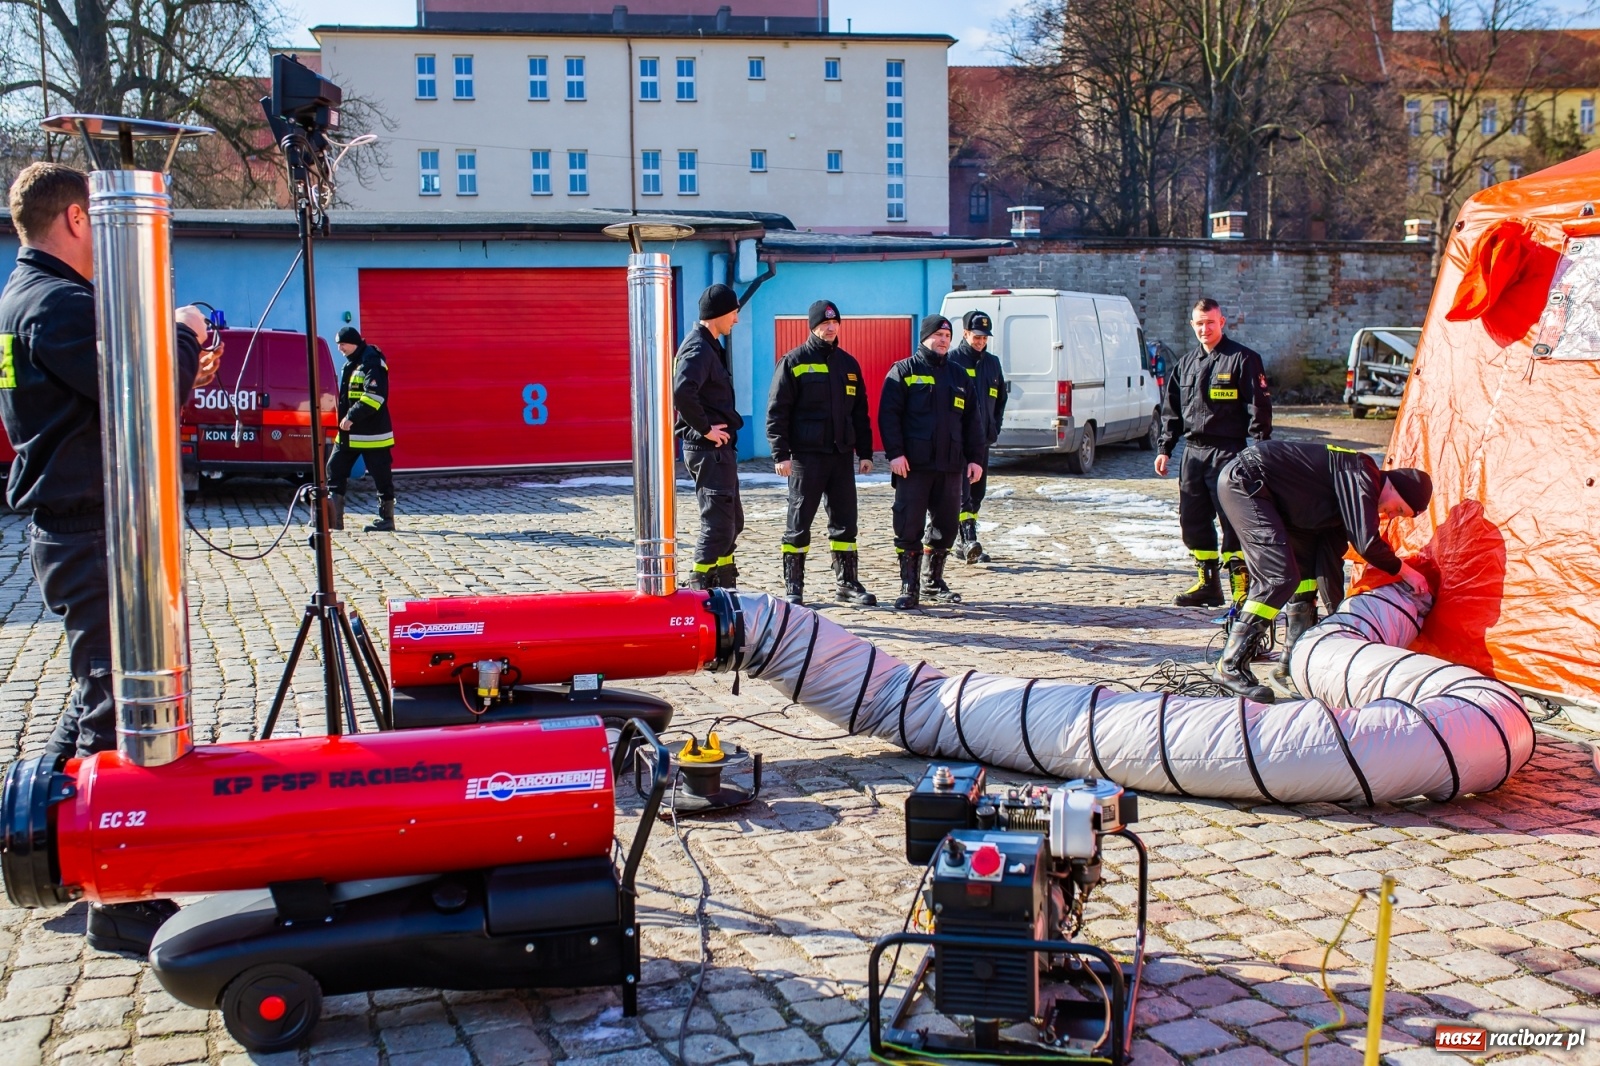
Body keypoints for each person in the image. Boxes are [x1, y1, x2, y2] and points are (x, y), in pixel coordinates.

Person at [0, 161, 219, 954]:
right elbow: (143, 389)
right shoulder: (57, 305)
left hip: (76, 524)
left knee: (96, 686)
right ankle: (117, 893)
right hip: (89, 527)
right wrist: (185, 334)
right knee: (115, 705)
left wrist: (176, 356)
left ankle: (40, 838)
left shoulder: (25, 297)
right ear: (77, 219)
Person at [1213, 440, 1434, 702]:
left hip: (1278, 499)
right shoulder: (1362, 474)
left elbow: (1329, 566)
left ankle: (1293, 658)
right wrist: (1406, 572)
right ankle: (1230, 666)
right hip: (1247, 481)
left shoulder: (1344, 505)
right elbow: (1366, 543)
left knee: (1305, 577)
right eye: (1398, 509)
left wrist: (1338, 618)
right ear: (1395, 487)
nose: (1391, 515)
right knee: (1278, 578)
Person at [1156, 298, 1271, 609]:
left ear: (1222, 322)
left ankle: (1241, 590)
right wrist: (1165, 448)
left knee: (1234, 520)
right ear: (1192, 325)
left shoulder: (1243, 359)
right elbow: (1171, 412)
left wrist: (1262, 450)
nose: (1204, 329)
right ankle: (1208, 586)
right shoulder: (1185, 364)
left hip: (1229, 452)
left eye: (1210, 322)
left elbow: (1259, 408)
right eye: (1199, 323)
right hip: (1193, 454)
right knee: (1192, 520)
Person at [767, 299, 876, 606]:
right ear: (813, 327)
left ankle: (847, 583)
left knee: (845, 521)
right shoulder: (794, 361)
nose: (830, 328)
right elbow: (777, 411)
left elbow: (860, 413)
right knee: (799, 521)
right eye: (824, 323)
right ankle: (794, 587)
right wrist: (780, 453)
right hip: (806, 457)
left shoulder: (848, 365)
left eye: (834, 323)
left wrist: (865, 453)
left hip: (840, 456)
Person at [879, 315, 984, 610]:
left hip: (951, 466)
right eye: (938, 335)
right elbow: (889, 415)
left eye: (947, 336)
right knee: (908, 526)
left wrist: (975, 459)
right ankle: (909, 587)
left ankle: (932, 583)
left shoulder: (958, 375)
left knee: (946, 527)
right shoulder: (904, 371)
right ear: (925, 337)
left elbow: (972, 421)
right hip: (913, 466)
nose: (943, 340)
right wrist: (895, 453)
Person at [674, 284, 745, 590]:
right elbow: (682, 391)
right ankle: (699, 586)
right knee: (718, 525)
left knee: (732, 522)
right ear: (718, 314)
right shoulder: (699, 348)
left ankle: (724, 586)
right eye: (734, 313)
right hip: (708, 450)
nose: (736, 320)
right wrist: (705, 429)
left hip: (718, 451)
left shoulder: (710, 345)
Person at [948, 309, 1007, 563]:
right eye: (977, 337)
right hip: (959, 440)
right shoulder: (952, 361)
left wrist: (994, 427)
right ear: (965, 334)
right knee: (963, 492)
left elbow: (1000, 399)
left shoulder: (992, 363)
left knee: (977, 492)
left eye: (984, 338)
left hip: (982, 440)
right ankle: (968, 540)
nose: (981, 342)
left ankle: (964, 542)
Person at [326, 325, 397, 532]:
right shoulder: (353, 362)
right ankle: (334, 519)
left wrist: (351, 416)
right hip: (349, 434)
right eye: (338, 344)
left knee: (381, 476)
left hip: (373, 434)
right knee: (334, 468)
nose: (340, 348)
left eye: (343, 344)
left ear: (354, 343)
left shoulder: (371, 361)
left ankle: (386, 519)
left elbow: (375, 396)